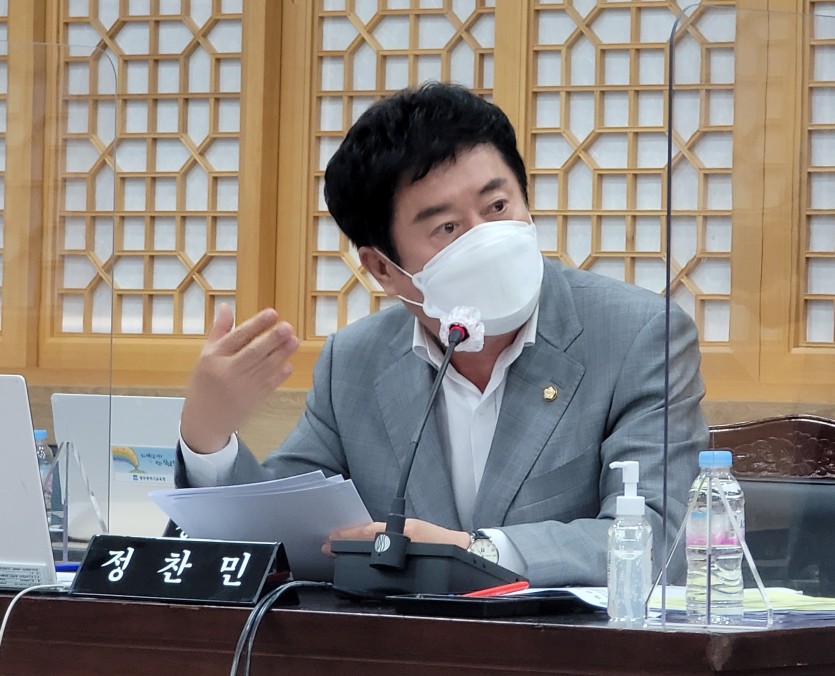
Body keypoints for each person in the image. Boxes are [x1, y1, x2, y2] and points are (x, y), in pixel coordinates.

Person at [176, 82, 707, 587]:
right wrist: (208, 440)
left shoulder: (638, 337)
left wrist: (471, 552)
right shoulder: (355, 362)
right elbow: (284, 536)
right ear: (382, 268)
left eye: (497, 207)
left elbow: (663, 539)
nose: (486, 239)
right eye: (447, 228)